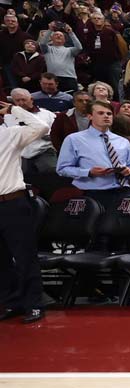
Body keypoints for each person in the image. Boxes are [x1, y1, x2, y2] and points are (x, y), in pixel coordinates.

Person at [0, 98, 52, 324]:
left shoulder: (9, 134)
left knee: (24, 255)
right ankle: (12, 302)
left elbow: (41, 127)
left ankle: (34, 303)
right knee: (1, 259)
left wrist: (15, 109)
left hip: (12, 202)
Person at [55, 100, 130, 223]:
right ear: (90, 116)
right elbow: (62, 169)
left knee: (123, 231)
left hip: (122, 192)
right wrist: (88, 172)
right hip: (92, 193)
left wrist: (128, 171)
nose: (106, 116)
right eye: (101, 113)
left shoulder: (123, 141)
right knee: (97, 234)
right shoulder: (74, 139)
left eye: (109, 114)